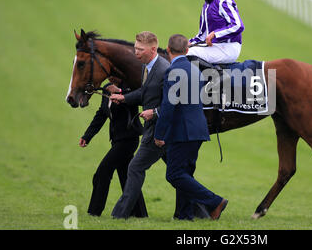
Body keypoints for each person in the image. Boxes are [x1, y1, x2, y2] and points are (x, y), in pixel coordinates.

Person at [154, 34, 228, 221]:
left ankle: (215, 201)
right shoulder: (196, 70)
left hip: (182, 131)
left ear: (167, 50)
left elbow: (169, 106)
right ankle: (185, 215)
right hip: (198, 129)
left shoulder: (172, 72)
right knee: (185, 173)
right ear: (187, 51)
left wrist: (159, 133)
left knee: (174, 175)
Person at [109, 31, 170, 219]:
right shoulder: (147, 66)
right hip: (155, 128)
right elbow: (145, 92)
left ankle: (120, 214)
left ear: (153, 49)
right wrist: (124, 98)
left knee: (135, 167)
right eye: (135, 48)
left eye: (140, 49)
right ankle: (208, 205)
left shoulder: (164, 69)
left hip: (159, 130)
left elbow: (173, 102)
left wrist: (155, 112)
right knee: (178, 174)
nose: (136, 52)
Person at [79, 77, 147, 217]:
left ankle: (94, 211)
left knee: (102, 172)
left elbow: (137, 98)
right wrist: (87, 136)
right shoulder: (107, 88)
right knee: (127, 177)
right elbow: (101, 114)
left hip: (128, 140)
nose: (111, 77)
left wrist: (120, 92)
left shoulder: (129, 86)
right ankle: (139, 213)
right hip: (116, 140)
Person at [187, 0, 244, 65]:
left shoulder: (223, 2)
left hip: (229, 47)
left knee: (190, 53)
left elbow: (238, 26)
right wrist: (187, 43)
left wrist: (215, 34)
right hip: (217, 46)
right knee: (183, 50)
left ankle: (216, 76)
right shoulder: (205, 7)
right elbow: (202, 35)